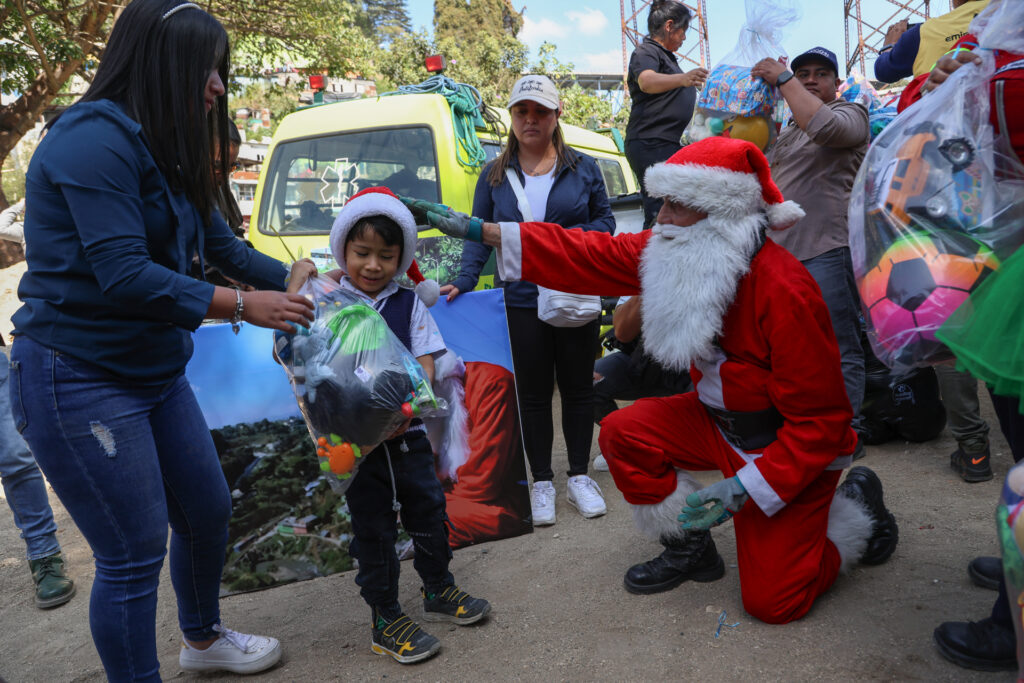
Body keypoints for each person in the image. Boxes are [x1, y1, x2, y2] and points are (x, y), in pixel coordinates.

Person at [403, 136, 900, 624]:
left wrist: (746, 488)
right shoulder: (679, 246)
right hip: (717, 424)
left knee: (773, 604)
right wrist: (479, 231)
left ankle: (855, 508)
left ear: (722, 219)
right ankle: (690, 549)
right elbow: (586, 252)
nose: (660, 220)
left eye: (677, 207)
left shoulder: (785, 289)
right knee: (624, 433)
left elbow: (822, 423)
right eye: (662, 203)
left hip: (787, 449)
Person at [8, 1, 318, 679]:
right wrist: (245, 304)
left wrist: (296, 280)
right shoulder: (92, 140)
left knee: (207, 510)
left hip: (153, 369)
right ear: (161, 61)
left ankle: (202, 640)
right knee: (130, 551)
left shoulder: (165, 142)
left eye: (220, 70)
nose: (217, 85)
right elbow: (123, 273)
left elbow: (216, 243)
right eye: (207, 68)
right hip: (78, 375)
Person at [288, 186, 490, 665]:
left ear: (401, 259)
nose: (373, 265)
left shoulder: (407, 304)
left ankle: (438, 587)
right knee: (373, 529)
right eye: (362, 253)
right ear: (343, 249)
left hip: (406, 434)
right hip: (356, 448)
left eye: (386, 255)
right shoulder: (328, 302)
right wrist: (297, 279)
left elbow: (425, 360)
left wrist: (411, 395)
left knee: (429, 511)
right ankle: (385, 616)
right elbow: (291, 337)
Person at [444, 74, 615, 525]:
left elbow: (605, 224)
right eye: (522, 111)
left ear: (557, 115)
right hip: (519, 299)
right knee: (533, 394)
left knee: (578, 389)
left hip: (575, 292)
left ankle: (578, 475)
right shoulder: (495, 175)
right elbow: (479, 233)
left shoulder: (583, 168)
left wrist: (551, 239)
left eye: (540, 111)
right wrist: (463, 279)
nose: (531, 119)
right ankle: (541, 481)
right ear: (512, 118)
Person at [912, 9, 1024, 669]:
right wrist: (953, 83)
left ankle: (1012, 624)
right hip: (1009, 249)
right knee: (1016, 431)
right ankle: (1017, 563)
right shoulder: (995, 20)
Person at [751, 47, 870, 438]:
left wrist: (783, 78)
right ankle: (800, 429)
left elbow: (826, 129)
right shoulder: (786, 133)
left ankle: (844, 434)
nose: (810, 79)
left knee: (838, 348)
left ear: (837, 85)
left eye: (821, 74)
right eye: (803, 73)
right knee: (787, 351)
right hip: (778, 258)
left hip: (827, 252)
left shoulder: (851, 114)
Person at [624, 0, 708, 228]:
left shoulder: (667, 57)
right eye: (683, 31)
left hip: (665, 142)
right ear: (670, 26)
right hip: (650, 141)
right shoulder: (647, 51)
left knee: (675, 203)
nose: (684, 38)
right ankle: (649, 257)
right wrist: (684, 79)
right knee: (660, 210)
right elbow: (646, 81)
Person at [592, 295, 692, 471]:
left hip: (691, 367)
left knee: (714, 393)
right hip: (643, 361)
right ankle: (627, 446)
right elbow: (622, 332)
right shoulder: (642, 273)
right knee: (587, 382)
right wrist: (648, 287)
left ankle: (681, 446)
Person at [872, 0, 990, 110]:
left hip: (942, 121)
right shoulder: (1005, 11)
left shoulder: (923, 32)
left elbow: (884, 71)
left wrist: (889, 46)